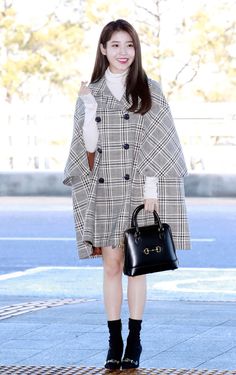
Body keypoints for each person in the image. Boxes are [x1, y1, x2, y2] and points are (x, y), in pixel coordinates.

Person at [63, 19, 190, 370]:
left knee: (137, 267)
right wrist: (89, 109)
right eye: (115, 45)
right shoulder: (91, 92)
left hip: (138, 189)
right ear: (103, 49)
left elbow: (159, 143)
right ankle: (113, 338)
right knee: (111, 266)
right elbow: (86, 149)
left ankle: (135, 337)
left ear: (136, 50)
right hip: (105, 188)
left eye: (129, 45)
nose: (123, 52)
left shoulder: (149, 89)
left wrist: (152, 190)